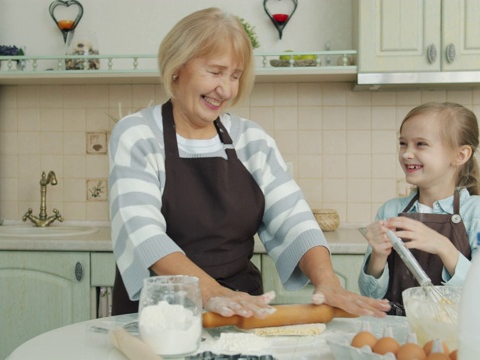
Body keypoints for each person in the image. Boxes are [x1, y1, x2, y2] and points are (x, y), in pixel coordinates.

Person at [108, 7, 390, 319]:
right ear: (177, 67)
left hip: (240, 308)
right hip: (160, 312)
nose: (226, 89)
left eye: (235, 76)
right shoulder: (138, 134)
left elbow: (294, 219)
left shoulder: (251, 139)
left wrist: (328, 282)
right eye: (215, 72)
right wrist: (212, 293)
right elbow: (144, 232)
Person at [358, 102, 480, 315]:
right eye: (403, 143)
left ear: (461, 155)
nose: (407, 154)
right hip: (398, 333)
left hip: (457, 335)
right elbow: (370, 297)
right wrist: (378, 257)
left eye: (420, 144)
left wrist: (443, 247)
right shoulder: (390, 211)